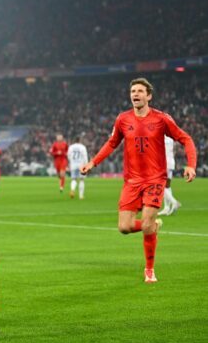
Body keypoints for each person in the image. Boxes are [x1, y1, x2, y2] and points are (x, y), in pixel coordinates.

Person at [81, 78, 196, 283]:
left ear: (148, 96)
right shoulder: (123, 119)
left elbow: (185, 139)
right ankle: (152, 225)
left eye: (140, 91)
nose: (135, 94)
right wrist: (93, 163)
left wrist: (191, 165)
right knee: (124, 227)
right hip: (132, 181)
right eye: (133, 91)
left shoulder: (161, 119)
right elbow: (111, 143)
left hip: (154, 179)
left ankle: (149, 269)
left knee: (146, 224)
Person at [158, 136, 181, 216]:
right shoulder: (170, 138)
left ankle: (174, 202)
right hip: (171, 162)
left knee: (160, 185)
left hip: (164, 163)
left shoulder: (161, 138)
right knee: (167, 186)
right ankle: (166, 208)